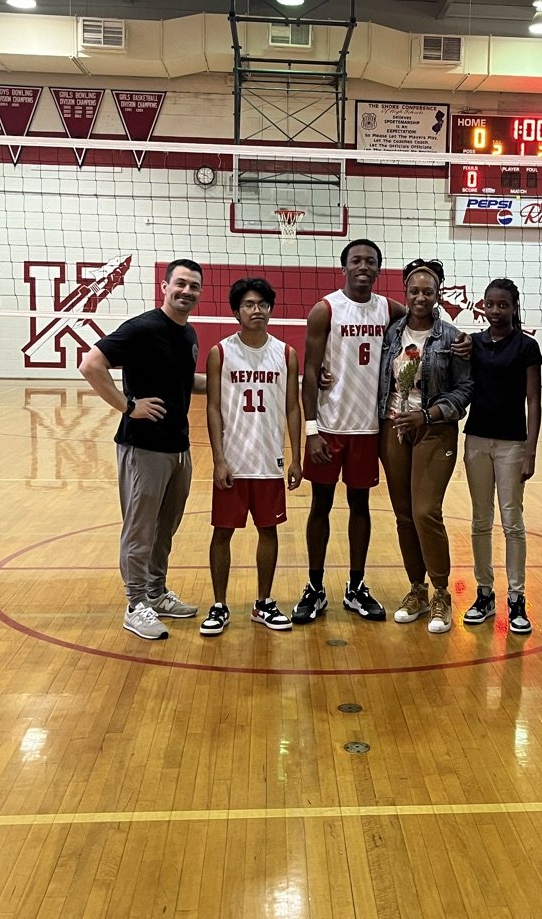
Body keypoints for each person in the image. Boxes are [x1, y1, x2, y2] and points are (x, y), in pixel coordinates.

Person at [78, 259, 204, 640]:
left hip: (178, 447)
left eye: (194, 286)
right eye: (180, 284)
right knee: (141, 529)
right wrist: (129, 406)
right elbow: (90, 364)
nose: (186, 291)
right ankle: (136, 605)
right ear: (165, 287)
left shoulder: (188, 335)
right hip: (144, 448)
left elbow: (187, 382)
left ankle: (156, 592)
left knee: (165, 528)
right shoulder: (142, 328)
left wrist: (234, 379)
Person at [292, 239, 405, 624]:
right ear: (344, 267)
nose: (363, 266)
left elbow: (425, 322)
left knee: (361, 506)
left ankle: (356, 586)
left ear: (378, 269)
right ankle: (315, 587)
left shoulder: (390, 310)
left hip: (368, 428)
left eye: (370, 261)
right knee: (320, 505)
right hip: (329, 426)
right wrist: (311, 430)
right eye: (356, 260)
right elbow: (309, 372)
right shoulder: (325, 310)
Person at [200, 278, 302, 636]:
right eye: (248, 304)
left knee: (268, 530)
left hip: (269, 460)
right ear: (236, 311)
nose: (256, 310)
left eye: (262, 304)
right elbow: (212, 408)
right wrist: (218, 459)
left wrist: (295, 457)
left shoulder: (287, 353)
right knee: (222, 532)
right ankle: (219, 604)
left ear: (271, 309)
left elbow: (293, 408)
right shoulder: (221, 353)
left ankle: (263, 603)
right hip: (233, 460)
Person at [378, 259, 473, 634]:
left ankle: (441, 593)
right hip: (393, 428)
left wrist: (430, 415)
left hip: (434, 430)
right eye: (414, 291)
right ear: (406, 293)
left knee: (425, 511)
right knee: (403, 514)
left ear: (438, 295)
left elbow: (465, 389)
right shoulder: (391, 334)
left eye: (428, 292)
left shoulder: (452, 338)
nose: (420, 297)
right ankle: (416, 589)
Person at [462, 279, 542, 635]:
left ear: (514, 307)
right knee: (480, 519)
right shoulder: (473, 343)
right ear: (483, 306)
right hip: (476, 440)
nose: (496, 311)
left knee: (512, 522)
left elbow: (534, 402)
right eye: (490, 305)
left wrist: (530, 451)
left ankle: (517, 599)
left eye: (503, 305)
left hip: (512, 445)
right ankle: (484, 593)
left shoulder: (527, 347)